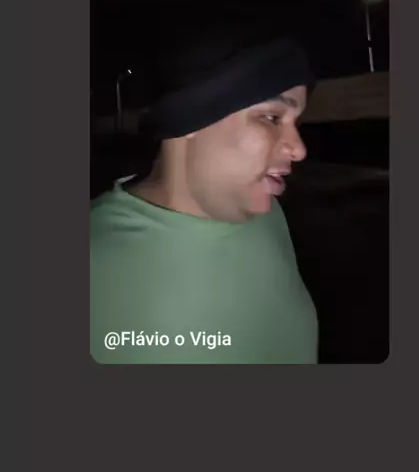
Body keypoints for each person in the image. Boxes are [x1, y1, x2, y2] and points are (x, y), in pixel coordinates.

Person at [90, 24, 318, 364]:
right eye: (271, 118)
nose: (299, 149)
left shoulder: (266, 212)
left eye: (295, 123)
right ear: (190, 119)